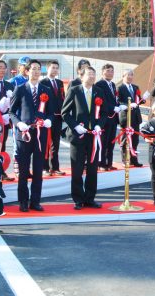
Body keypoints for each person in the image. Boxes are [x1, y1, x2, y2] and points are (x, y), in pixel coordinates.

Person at [9, 59, 53, 212]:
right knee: (23, 169)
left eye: (38, 69)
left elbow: (51, 111)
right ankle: (22, 201)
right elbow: (11, 112)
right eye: (33, 69)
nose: (36, 72)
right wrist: (18, 123)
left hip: (40, 134)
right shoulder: (20, 89)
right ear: (27, 71)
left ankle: (35, 201)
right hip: (24, 133)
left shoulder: (46, 90)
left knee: (38, 168)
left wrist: (49, 120)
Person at [62, 66, 105, 210]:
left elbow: (104, 113)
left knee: (93, 169)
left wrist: (99, 125)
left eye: (94, 74)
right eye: (89, 74)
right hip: (78, 136)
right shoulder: (74, 91)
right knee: (77, 168)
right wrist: (75, 126)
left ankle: (90, 198)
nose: (92, 77)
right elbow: (65, 112)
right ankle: (78, 199)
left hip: (93, 136)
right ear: (82, 76)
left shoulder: (99, 92)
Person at [40, 60, 66, 175]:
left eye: (57, 68)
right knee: (46, 143)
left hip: (58, 117)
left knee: (56, 143)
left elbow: (62, 97)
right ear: (47, 68)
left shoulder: (60, 83)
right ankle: (44, 167)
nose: (55, 70)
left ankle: (55, 167)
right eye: (53, 68)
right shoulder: (42, 82)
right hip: (47, 118)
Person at [94, 63, 121, 171]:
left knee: (111, 141)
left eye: (112, 71)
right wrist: (112, 108)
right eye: (108, 71)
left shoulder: (113, 84)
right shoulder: (99, 84)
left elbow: (114, 99)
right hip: (104, 117)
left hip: (113, 118)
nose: (110, 73)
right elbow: (102, 101)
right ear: (103, 72)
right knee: (103, 141)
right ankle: (101, 163)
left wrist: (119, 106)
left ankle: (109, 162)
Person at [117, 69, 145, 167]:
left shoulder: (135, 87)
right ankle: (125, 159)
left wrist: (143, 99)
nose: (130, 77)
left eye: (131, 75)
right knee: (126, 139)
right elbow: (118, 102)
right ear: (123, 76)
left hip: (136, 117)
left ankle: (134, 159)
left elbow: (138, 100)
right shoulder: (119, 88)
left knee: (135, 139)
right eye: (128, 75)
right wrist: (128, 105)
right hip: (126, 117)